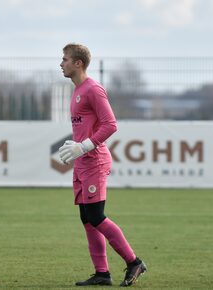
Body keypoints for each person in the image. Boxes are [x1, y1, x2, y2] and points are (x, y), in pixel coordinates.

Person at [58, 43, 147, 287]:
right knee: (87, 218)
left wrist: (86, 145)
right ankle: (102, 273)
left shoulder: (93, 90)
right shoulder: (76, 91)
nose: (61, 63)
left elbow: (111, 124)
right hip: (82, 163)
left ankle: (134, 262)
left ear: (78, 63)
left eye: (65, 59)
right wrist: (77, 146)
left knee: (97, 216)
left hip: (95, 161)